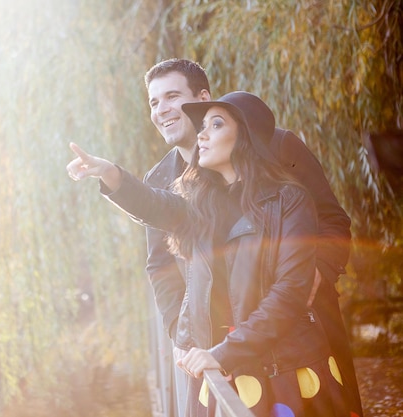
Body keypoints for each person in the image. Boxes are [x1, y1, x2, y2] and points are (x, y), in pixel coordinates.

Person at [66, 91, 362, 416]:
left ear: (246, 136)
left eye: (216, 124)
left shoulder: (289, 200)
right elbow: (153, 204)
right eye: (202, 125)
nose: (202, 134)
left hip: (285, 372)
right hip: (220, 372)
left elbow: (290, 292)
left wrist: (223, 353)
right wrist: (109, 173)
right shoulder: (201, 205)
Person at [140, 59, 361, 416]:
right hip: (216, 340)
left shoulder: (277, 145)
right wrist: (179, 334)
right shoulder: (158, 180)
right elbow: (160, 265)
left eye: (171, 96)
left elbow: (333, 220)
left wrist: (316, 271)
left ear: (203, 98)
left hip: (298, 321)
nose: (161, 109)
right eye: (153, 101)